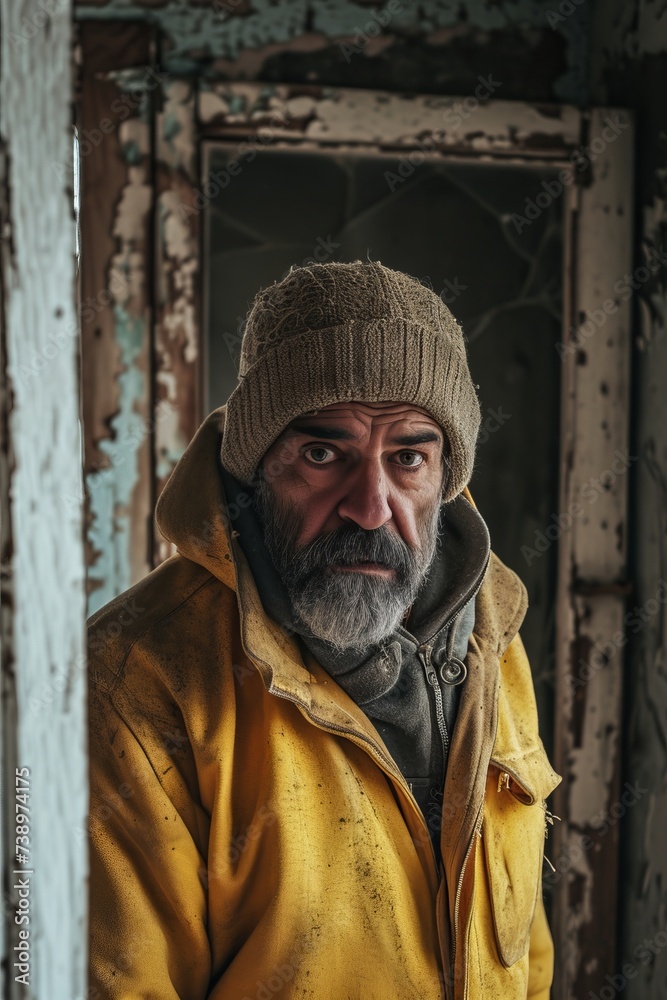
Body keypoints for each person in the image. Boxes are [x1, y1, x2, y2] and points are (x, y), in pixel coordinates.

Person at [87, 260, 561, 999]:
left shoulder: (492, 637)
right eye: (321, 454)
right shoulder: (132, 681)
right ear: (255, 470)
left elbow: (522, 956)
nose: (369, 507)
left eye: (407, 457)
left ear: (444, 477)